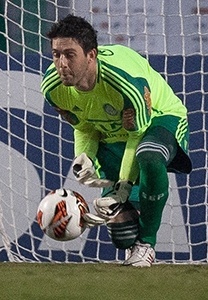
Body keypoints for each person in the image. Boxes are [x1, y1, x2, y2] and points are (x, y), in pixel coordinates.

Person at [41, 15, 192, 266]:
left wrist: (124, 184)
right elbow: (85, 127)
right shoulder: (53, 87)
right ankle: (134, 240)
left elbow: (137, 134)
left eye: (70, 54)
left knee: (149, 155)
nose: (62, 64)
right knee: (122, 236)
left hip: (160, 118)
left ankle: (147, 245)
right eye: (56, 55)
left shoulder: (124, 82)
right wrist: (84, 157)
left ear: (91, 55)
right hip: (112, 135)